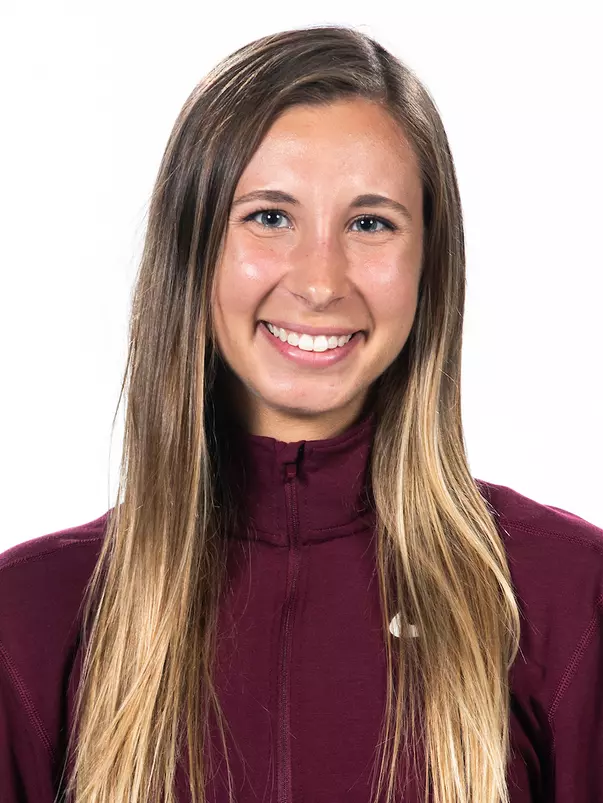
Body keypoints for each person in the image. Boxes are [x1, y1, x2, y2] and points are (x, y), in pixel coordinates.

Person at [0, 23, 601, 803]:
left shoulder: (566, 600)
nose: (320, 281)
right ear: (193, 249)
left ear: (430, 264)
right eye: (270, 217)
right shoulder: (32, 621)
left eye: (369, 222)